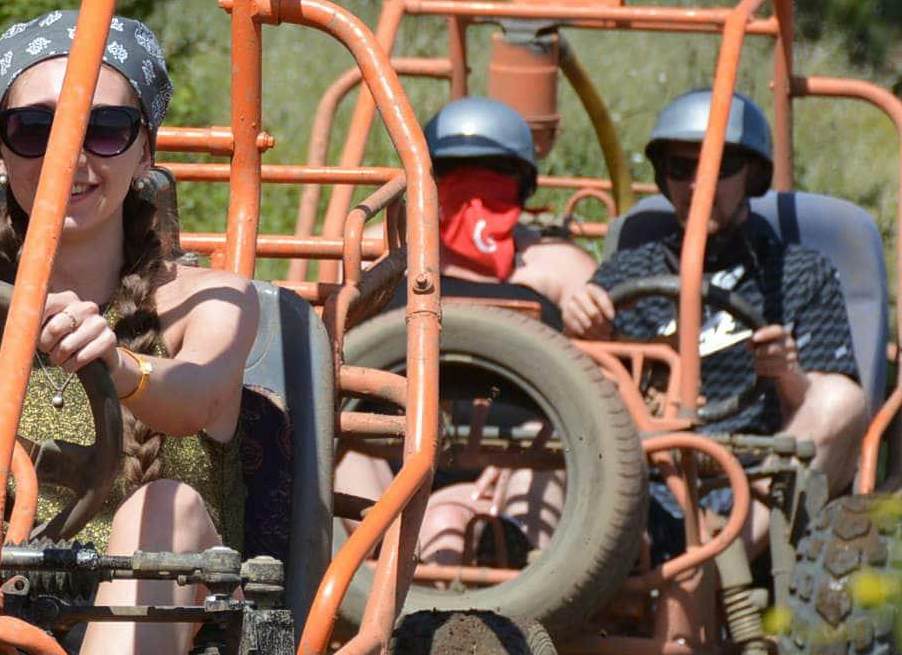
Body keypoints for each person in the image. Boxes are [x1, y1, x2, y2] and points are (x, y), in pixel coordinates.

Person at [0, 12, 259, 655]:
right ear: (1, 150)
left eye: (104, 130)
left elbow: (196, 395)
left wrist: (121, 370)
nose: (70, 158)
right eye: (35, 130)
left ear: (145, 147)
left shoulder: (210, 300)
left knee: (169, 505)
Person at [563, 88, 866, 555]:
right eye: (681, 169)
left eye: (719, 169)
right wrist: (585, 329)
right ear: (664, 178)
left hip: (756, 477)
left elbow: (829, 413)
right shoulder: (626, 272)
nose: (698, 187)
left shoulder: (799, 272)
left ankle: (723, 557)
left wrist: (787, 374)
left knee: (841, 399)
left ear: (752, 176)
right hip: (644, 475)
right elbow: (588, 388)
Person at [339, 98, 598, 564]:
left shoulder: (555, 265)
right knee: (344, 448)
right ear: (429, 182)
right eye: (456, 173)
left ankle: (518, 562)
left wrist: (590, 318)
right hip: (396, 452)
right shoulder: (393, 264)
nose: (474, 192)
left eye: (494, 171)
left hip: (522, 455)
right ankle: (376, 570)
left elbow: (603, 359)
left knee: (558, 448)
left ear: (520, 183)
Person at [424, 96, 595, 310]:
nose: (473, 186)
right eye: (451, 167)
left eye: (495, 168)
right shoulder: (386, 254)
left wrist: (580, 322)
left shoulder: (563, 266)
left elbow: (599, 330)